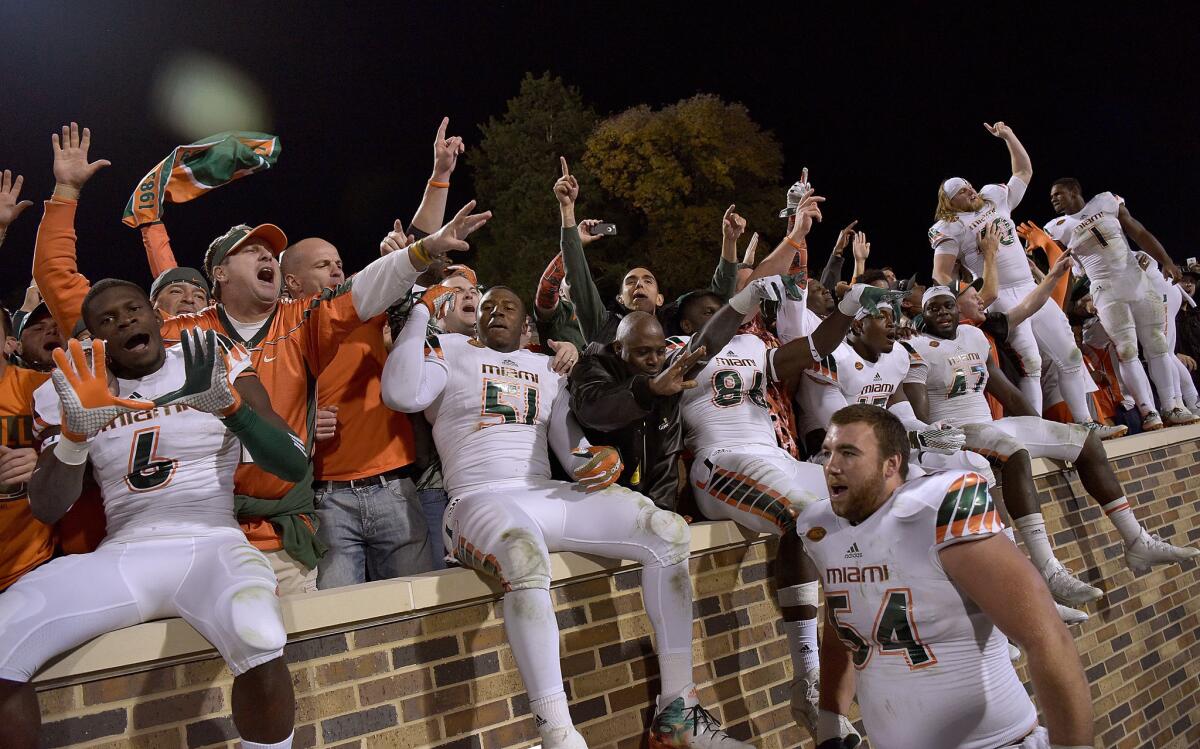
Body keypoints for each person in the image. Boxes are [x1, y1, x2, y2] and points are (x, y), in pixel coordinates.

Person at [32, 122, 491, 594]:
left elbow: (371, 284)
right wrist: (65, 192)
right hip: (204, 533)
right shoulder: (178, 330)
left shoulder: (305, 319)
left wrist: (423, 250)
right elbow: (65, 288)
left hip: (283, 536)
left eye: (271, 249)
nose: (267, 254)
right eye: (251, 250)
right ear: (220, 274)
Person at [382, 285, 749, 749]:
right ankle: (557, 730)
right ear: (475, 320)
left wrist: (591, 461)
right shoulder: (450, 349)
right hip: (477, 496)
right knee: (522, 553)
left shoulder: (544, 367)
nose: (497, 311)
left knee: (666, 529)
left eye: (509, 305)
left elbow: (567, 445)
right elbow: (399, 392)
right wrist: (418, 316)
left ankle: (677, 712)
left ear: (526, 324)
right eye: (488, 306)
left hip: (540, 489)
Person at [1, 281, 309, 749]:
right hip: (125, 552)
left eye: (132, 309)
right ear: (96, 338)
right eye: (106, 319)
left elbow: (292, 462)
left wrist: (233, 410)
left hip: (212, 541)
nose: (123, 320)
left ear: (156, 316)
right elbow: (46, 505)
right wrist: (74, 437)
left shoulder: (209, 360)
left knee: (259, 633)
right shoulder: (78, 388)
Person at [660, 279, 905, 739]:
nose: (727, 313)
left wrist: (849, 307)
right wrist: (741, 300)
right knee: (806, 515)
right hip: (721, 462)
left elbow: (811, 349)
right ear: (690, 320)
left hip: (777, 459)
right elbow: (708, 339)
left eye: (724, 306)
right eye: (710, 307)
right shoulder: (681, 346)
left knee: (872, 502)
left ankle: (877, 645)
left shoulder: (753, 344)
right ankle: (807, 678)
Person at [800, 404, 1094, 749]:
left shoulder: (936, 508)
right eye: (828, 453)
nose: (832, 467)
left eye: (849, 453)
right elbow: (844, 628)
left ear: (890, 464)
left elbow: (1047, 637)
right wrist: (831, 723)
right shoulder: (819, 527)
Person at [903, 287, 1198, 606]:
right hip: (955, 430)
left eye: (948, 305)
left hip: (990, 423)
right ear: (923, 314)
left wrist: (1041, 427)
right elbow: (922, 416)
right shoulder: (916, 348)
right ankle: (1048, 569)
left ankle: (1137, 540)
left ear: (958, 310)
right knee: (1012, 450)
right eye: (934, 308)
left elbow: (1007, 392)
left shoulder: (974, 339)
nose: (943, 312)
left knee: (1085, 442)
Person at [929, 123, 1101, 433]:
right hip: (1001, 294)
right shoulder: (951, 226)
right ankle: (1036, 433)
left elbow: (1023, 172)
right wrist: (966, 297)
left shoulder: (994, 197)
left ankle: (1087, 423)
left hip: (1028, 286)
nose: (969, 191)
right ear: (949, 203)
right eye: (960, 192)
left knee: (1070, 355)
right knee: (1031, 364)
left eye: (968, 186)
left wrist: (1008, 136)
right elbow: (939, 273)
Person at [1034, 179, 1195, 427]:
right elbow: (1064, 271)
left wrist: (1166, 260)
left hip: (1136, 281)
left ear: (1075, 191)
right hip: (1105, 291)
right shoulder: (1054, 227)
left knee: (1158, 344)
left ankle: (1172, 406)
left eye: (1058, 194)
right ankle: (1148, 412)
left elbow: (1138, 231)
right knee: (1127, 351)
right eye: (1051, 196)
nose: (1053, 199)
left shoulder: (1106, 201)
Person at [555, 157, 739, 344]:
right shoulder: (603, 326)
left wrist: (730, 241)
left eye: (648, 281)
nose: (639, 285)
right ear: (620, 299)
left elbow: (717, 300)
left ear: (660, 299)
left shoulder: (675, 324)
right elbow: (578, 280)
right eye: (631, 281)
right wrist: (567, 210)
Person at [0, 306, 53, 593]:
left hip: (30, 565)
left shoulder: (42, 387)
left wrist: (45, 463)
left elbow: (94, 460)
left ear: (8, 342)